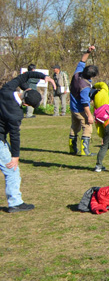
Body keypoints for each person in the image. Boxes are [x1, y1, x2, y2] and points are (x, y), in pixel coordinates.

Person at [1, 67, 55, 213]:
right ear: (26, 105)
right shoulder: (16, 114)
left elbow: (25, 76)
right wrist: (15, 157)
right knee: (12, 171)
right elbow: (14, 136)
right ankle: (15, 203)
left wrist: (45, 77)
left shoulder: (7, 89)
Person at [69, 46, 97, 157]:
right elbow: (85, 103)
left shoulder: (77, 74)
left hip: (72, 107)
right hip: (80, 109)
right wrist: (89, 116)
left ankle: (72, 149)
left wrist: (88, 52)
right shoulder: (85, 87)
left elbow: (82, 61)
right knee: (87, 127)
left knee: (74, 127)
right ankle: (85, 150)